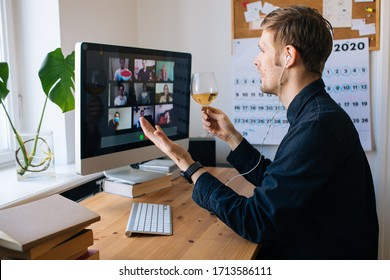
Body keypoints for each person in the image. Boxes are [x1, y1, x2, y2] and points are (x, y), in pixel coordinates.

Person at [140, 6, 379, 259]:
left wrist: (187, 164)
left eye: (263, 50)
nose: (256, 60)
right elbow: (279, 184)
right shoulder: (317, 115)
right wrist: (232, 137)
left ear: (288, 56)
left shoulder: (316, 127)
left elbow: (256, 221)